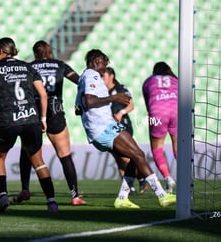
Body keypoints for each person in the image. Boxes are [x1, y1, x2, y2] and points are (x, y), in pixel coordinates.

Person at [75, 49, 176, 209]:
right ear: (95, 61)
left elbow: (79, 106)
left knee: (134, 159)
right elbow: (89, 101)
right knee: (139, 154)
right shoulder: (91, 75)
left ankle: (122, 198)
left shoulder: (83, 77)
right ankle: (162, 195)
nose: (105, 66)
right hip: (104, 127)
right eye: (104, 62)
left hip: (99, 130)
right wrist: (114, 97)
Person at [0, 37, 58, 213]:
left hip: (8, 120)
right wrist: (44, 119)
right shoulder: (27, 66)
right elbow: (43, 94)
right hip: (31, 119)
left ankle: (3, 197)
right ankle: (52, 202)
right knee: (38, 161)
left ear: (0, 51)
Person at [13, 40, 85, 206]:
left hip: (33, 112)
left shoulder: (30, 67)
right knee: (65, 155)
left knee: (26, 151)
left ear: (36, 53)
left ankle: (25, 188)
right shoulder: (60, 65)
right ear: (49, 52)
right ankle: (74, 195)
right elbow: (79, 81)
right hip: (55, 111)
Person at [102, 67, 147, 195]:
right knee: (118, 158)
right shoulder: (102, 91)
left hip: (123, 125)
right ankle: (129, 187)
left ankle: (142, 177)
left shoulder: (121, 89)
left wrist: (121, 113)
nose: (102, 79)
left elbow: (131, 105)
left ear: (111, 76)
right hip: (109, 127)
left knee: (126, 156)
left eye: (103, 76)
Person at [142, 62, 178, 193]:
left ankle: (168, 178)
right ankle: (185, 177)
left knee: (157, 148)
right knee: (178, 145)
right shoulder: (176, 80)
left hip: (157, 111)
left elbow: (148, 103)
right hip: (176, 111)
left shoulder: (148, 81)